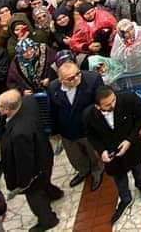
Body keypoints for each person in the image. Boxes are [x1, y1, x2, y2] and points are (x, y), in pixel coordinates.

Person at [83, 86, 141, 225]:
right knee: (119, 177)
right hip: (111, 152)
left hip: (132, 147)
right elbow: (91, 136)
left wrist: (129, 140)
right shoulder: (88, 116)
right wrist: (101, 151)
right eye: (108, 105)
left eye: (113, 100)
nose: (113, 105)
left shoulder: (128, 99)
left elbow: (140, 116)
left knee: (138, 168)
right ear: (97, 106)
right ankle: (125, 198)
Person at [0, 89, 62, 232]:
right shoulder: (29, 101)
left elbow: (24, 161)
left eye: (0, 107)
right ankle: (55, 194)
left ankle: (48, 220)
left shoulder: (19, 133)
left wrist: (23, 182)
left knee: (34, 194)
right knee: (44, 182)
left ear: (7, 109)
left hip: (35, 167)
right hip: (44, 153)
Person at [46, 61, 104, 191]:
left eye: (77, 74)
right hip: (68, 131)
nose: (76, 79)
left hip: (88, 129)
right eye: (70, 78)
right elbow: (53, 111)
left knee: (93, 153)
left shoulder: (92, 79)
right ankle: (83, 171)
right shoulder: (53, 88)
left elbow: (100, 103)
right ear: (61, 80)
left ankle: (97, 170)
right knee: (75, 156)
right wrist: (55, 131)